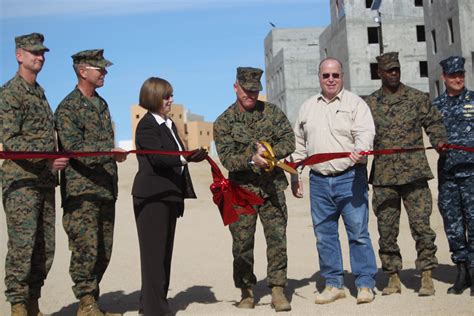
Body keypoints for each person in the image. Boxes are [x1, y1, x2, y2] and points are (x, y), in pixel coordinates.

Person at [291, 57, 377, 305]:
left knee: (358, 233)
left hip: (350, 178)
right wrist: (294, 174)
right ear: (319, 77)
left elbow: (365, 133)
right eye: (326, 75)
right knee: (324, 235)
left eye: (335, 75)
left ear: (342, 76)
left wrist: (360, 151)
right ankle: (334, 283)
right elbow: (298, 147)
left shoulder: (356, 104)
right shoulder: (307, 107)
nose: (330, 79)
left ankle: (364, 284)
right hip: (318, 182)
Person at [365, 52, 447, 297]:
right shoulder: (369, 103)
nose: (394, 74)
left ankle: (427, 275)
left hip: (415, 174)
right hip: (384, 178)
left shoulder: (417, 98)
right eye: (389, 70)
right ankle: (392, 277)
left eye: (396, 69)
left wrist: (439, 140)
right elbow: (359, 131)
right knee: (387, 229)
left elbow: (434, 123)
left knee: (422, 227)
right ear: (379, 73)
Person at [213, 67, 294, 312]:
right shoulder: (223, 121)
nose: (250, 95)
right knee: (242, 244)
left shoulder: (272, 113)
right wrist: (251, 159)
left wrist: (270, 153)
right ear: (235, 87)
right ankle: (246, 291)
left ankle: (278, 290)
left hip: (271, 190)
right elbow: (226, 158)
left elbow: (289, 140)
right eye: (246, 90)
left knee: (277, 240)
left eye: (255, 91)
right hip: (242, 192)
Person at [0, 33, 69, 315]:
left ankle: (33, 304)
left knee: (44, 248)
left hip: (43, 182)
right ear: (19, 55)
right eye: (33, 53)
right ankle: (18, 307)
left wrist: (50, 164)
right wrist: (46, 158)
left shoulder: (40, 93)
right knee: (22, 247)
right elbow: (11, 140)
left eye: (42, 53)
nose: (39, 57)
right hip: (21, 185)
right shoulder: (10, 93)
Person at [54, 49, 127, 315]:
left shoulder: (102, 104)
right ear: (83, 71)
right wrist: (109, 152)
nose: (104, 72)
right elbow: (74, 147)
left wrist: (111, 156)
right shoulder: (67, 108)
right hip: (82, 192)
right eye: (100, 69)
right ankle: (85, 302)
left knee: (103, 250)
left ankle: (93, 300)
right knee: (85, 248)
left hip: (105, 189)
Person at [131, 77, 207, 315]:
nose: (171, 100)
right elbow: (159, 158)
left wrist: (189, 156)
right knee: (153, 256)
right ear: (153, 97)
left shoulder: (169, 124)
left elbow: (173, 155)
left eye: (171, 95)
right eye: (166, 96)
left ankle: (152, 303)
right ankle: (156, 309)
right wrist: (186, 157)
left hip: (169, 196)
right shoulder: (146, 125)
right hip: (152, 197)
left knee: (163, 254)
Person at [432, 56, 474, 295]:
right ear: (444, 77)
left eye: (461, 75)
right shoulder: (436, 106)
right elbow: (431, 133)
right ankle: (462, 272)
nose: (458, 79)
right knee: (454, 226)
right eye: (453, 75)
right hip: (448, 174)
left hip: (472, 174)